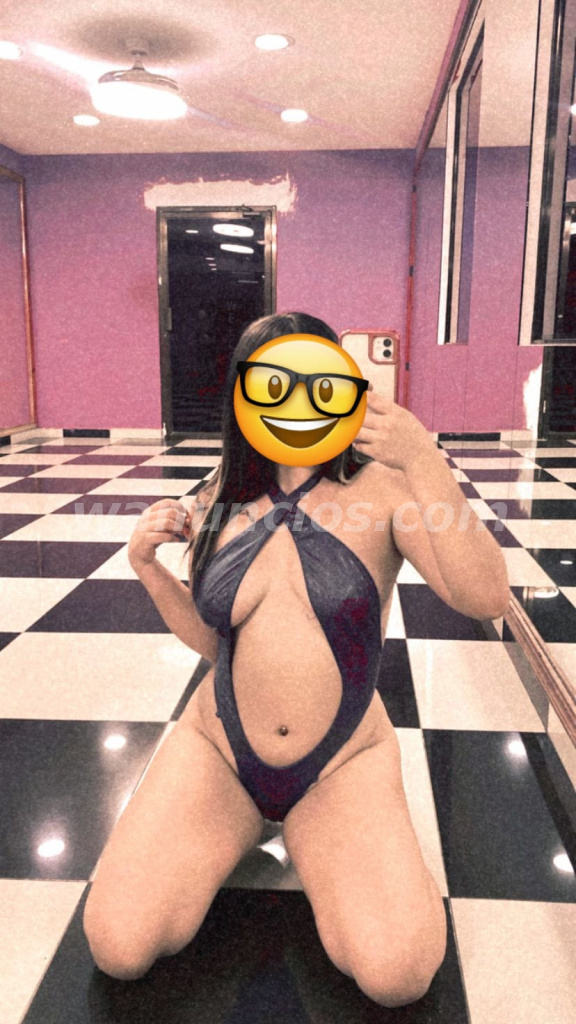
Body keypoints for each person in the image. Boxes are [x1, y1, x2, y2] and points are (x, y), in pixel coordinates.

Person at [83, 312, 510, 1007]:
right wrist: (148, 570)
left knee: (398, 974)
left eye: (318, 383)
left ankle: (317, 840)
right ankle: (239, 825)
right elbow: (213, 641)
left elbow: (485, 596)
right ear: (243, 394)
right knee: (119, 945)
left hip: (340, 761)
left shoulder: (384, 492)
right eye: (274, 384)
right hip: (220, 748)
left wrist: (424, 459)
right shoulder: (220, 494)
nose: (299, 403)